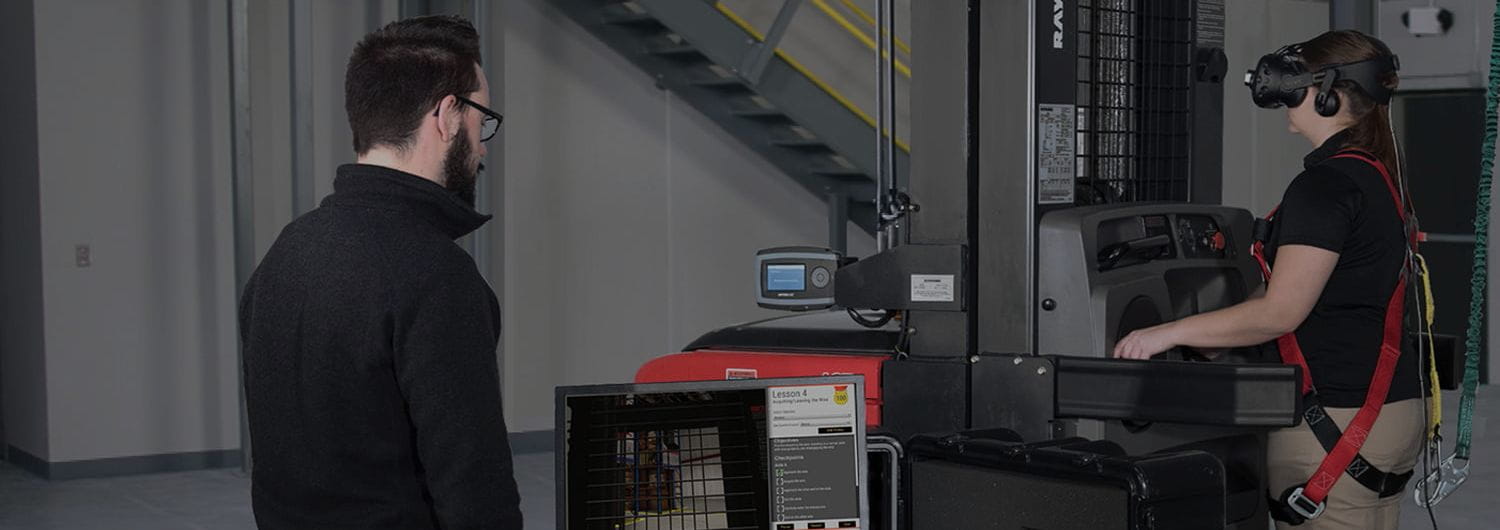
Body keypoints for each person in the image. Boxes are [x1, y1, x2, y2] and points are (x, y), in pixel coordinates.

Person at [1113, 30, 1425, 529]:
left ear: (1327, 91)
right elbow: (1299, 283)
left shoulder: (1324, 186)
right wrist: (1215, 335)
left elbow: (1282, 311)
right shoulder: (1374, 175)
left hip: (1338, 416)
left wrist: (1164, 334)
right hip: (1385, 410)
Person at [239, 15, 520, 529]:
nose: (482, 148)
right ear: (448, 115)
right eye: (484, 121)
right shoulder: (435, 274)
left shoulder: (286, 251)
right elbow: (475, 486)